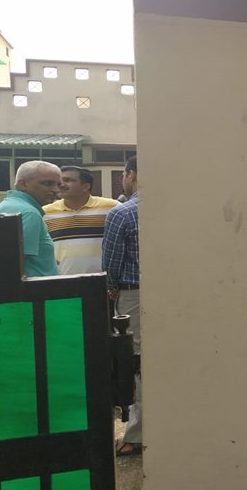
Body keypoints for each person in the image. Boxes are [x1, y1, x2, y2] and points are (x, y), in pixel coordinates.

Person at [102, 156, 141, 456]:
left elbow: (111, 263)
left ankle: (137, 435)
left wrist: (110, 291)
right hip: (176, 294)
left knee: (136, 363)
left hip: (133, 295)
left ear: (132, 174)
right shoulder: (177, 209)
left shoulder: (122, 213)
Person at [43, 166, 119, 275]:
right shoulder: (46, 212)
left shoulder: (111, 207)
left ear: (86, 186)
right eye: (60, 181)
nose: (61, 185)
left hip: (103, 279)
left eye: (68, 180)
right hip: (62, 279)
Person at [0, 161, 61, 277]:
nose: (56, 190)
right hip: (34, 287)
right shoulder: (30, 213)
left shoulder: (6, 206)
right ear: (22, 184)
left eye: (58, 185)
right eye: (47, 183)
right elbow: (16, 261)